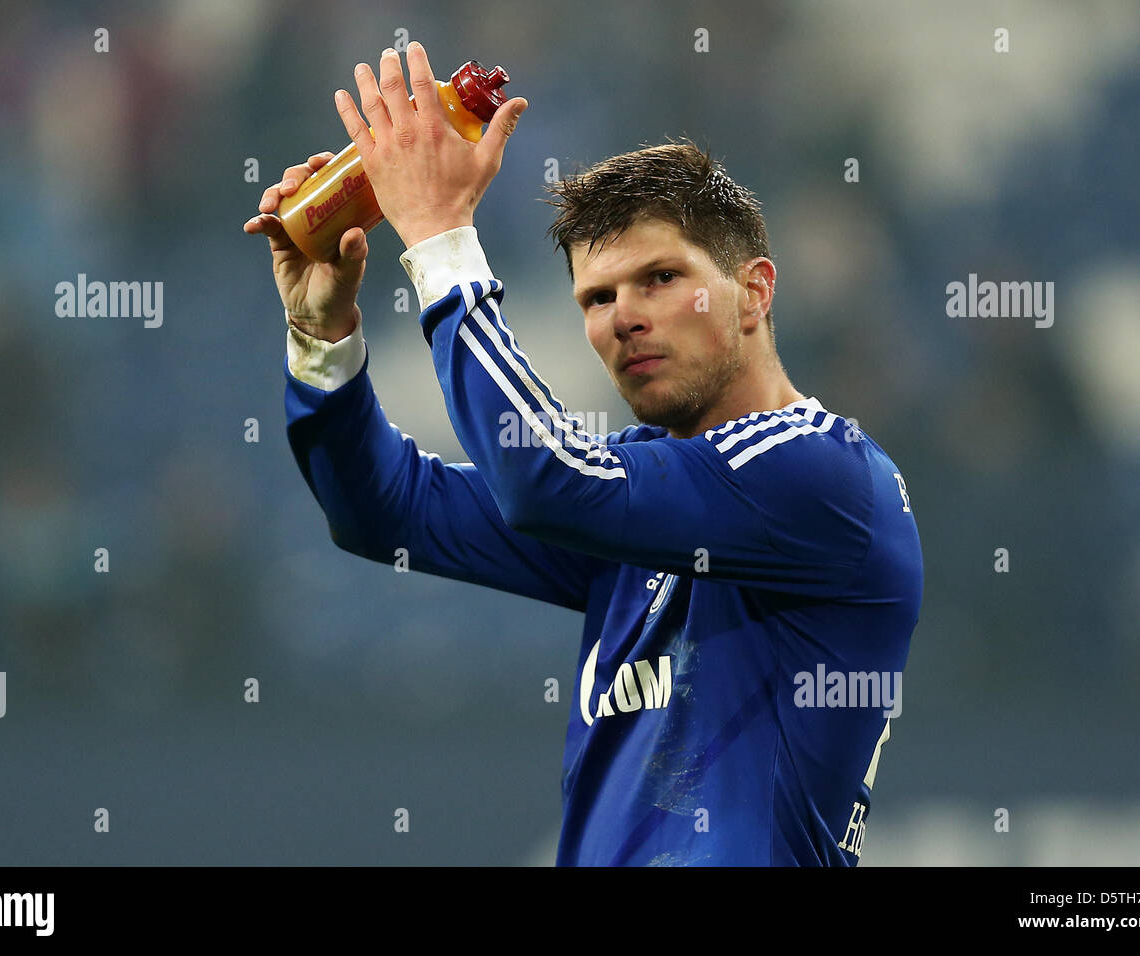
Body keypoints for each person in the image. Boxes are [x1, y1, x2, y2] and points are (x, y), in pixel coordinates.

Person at [244, 41, 923, 866]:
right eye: (597, 297)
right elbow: (387, 513)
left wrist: (440, 239)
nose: (622, 317)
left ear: (754, 290)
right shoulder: (638, 500)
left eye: (660, 279)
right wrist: (323, 336)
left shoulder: (823, 475)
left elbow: (547, 484)